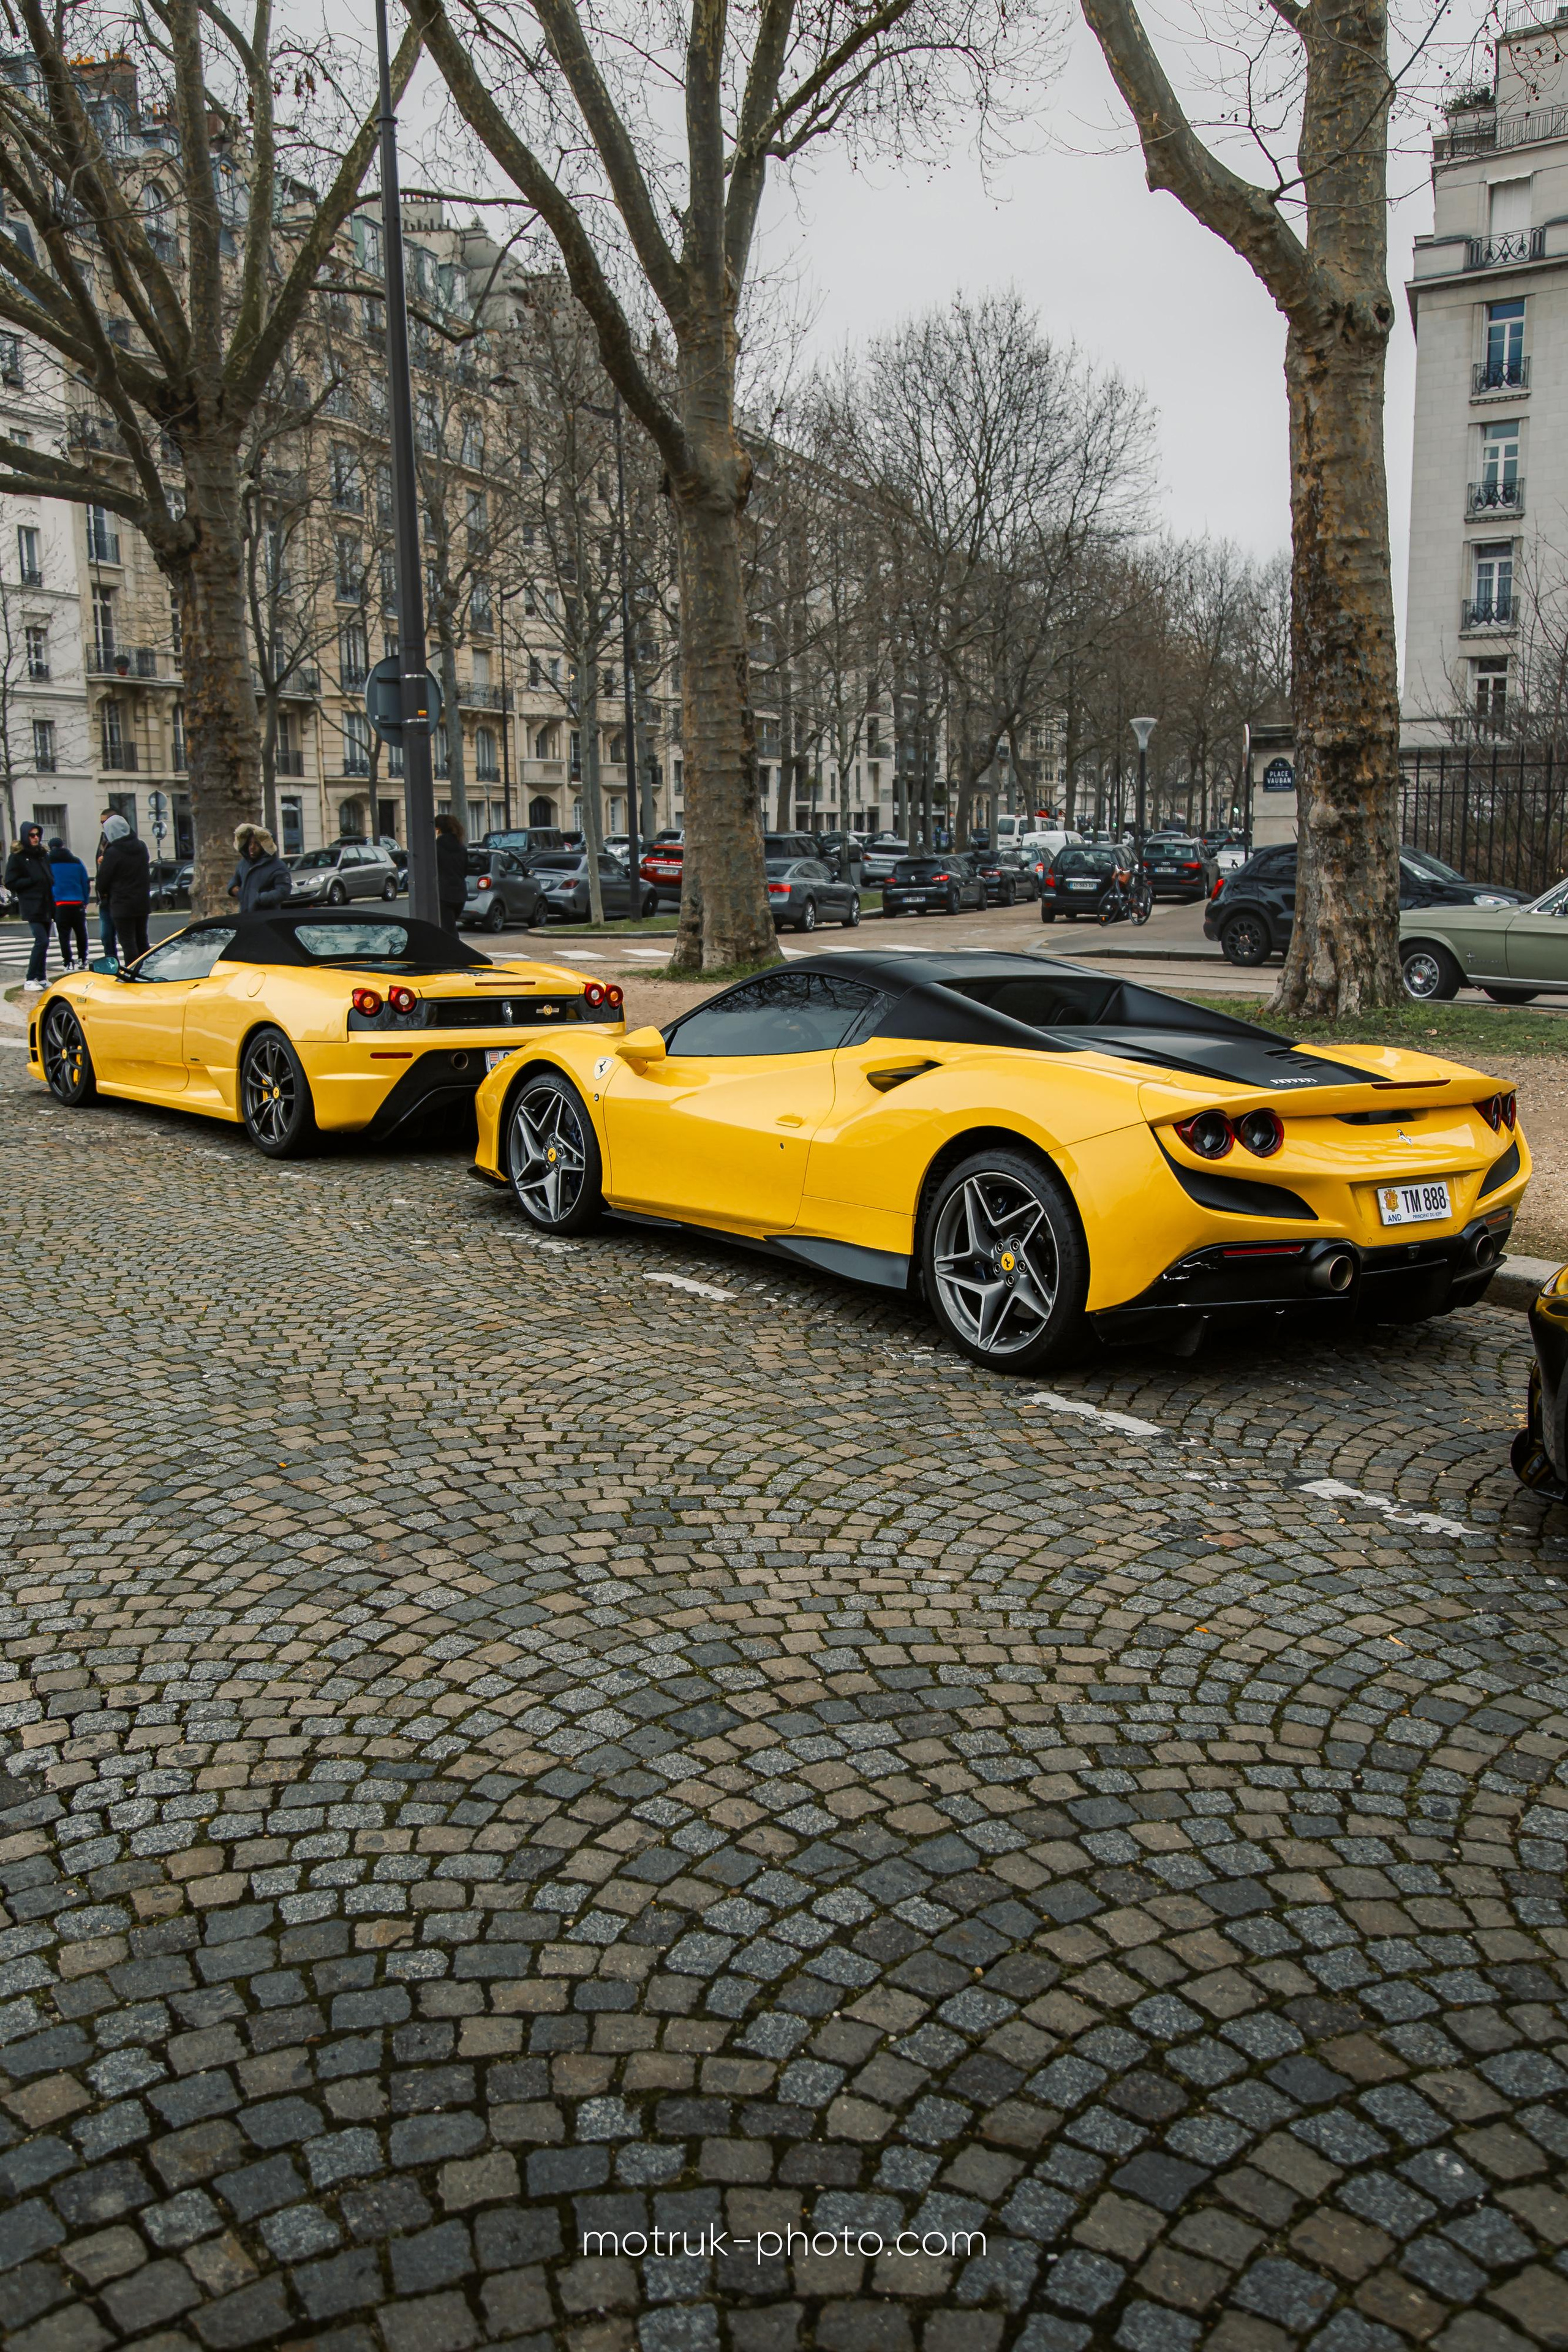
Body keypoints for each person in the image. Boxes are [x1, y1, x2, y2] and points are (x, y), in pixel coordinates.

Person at [97, 813, 151, 966]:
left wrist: (104, 893)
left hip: (122, 903)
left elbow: (103, 879)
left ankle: (133, 971)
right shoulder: (141, 847)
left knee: (128, 942)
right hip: (141, 901)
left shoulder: (114, 852)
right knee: (142, 939)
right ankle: (147, 969)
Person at [6, 822, 53, 990]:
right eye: (32, 835)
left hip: (46, 903)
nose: (36, 838)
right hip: (32, 904)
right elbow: (10, 881)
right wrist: (31, 881)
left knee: (45, 942)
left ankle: (41, 977)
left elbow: (47, 875)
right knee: (42, 940)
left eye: (37, 835)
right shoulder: (18, 857)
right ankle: (30, 978)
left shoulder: (41, 854)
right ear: (26, 836)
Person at [228, 824, 294, 914]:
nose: (252, 847)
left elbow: (283, 892)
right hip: (245, 916)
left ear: (265, 846)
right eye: (250, 844)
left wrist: (258, 898)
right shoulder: (244, 863)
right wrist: (236, 891)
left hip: (267, 918)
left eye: (257, 844)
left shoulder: (278, 866)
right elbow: (235, 880)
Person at [48, 838, 91, 971]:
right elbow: (85, 882)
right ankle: (83, 958)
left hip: (60, 903)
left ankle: (68, 961)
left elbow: (47, 883)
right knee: (81, 933)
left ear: (50, 848)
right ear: (63, 846)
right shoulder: (76, 861)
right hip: (77, 902)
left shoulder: (48, 863)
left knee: (64, 935)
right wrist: (85, 901)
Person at [94, 809, 120, 962]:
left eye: (105, 822)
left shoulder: (119, 842)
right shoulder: (104, 839)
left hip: (117, 897)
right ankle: (111, 962)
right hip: (104, 897)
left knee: (125, 936)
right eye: (101, 823)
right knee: (106, 936)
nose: (103, 826)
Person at [434, 811, 467, 933]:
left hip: (443, 894)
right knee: (450, 927)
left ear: (438, 829)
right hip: (460, 893)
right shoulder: (461, 847)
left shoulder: (436, 847)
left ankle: (453, 952)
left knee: (448, 931)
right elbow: (465, 870)